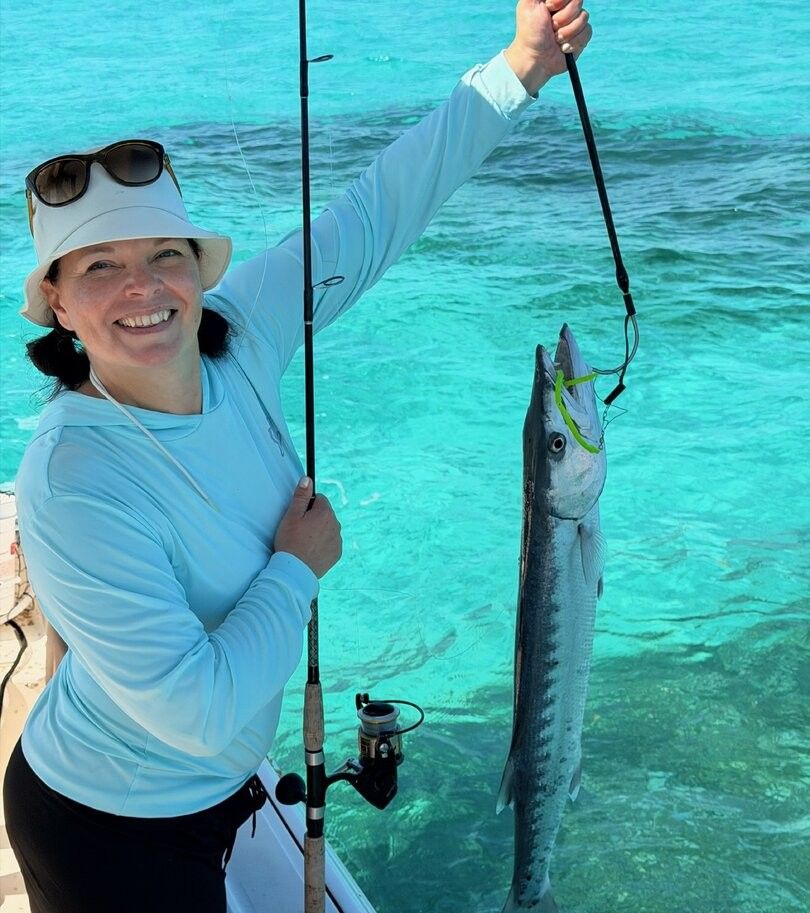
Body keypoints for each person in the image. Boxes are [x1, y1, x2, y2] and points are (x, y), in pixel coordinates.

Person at [2, 2, 592, 911]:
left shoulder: (239, 330)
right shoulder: (72, 479)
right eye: (98, 268)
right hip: (107, 828)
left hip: (228, 793)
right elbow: (197, 711)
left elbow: (374, 213)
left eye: (166, 252)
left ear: (199, 267)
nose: (143, 288)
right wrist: (295, 567)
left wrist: (518, 69)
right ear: (59, 306)